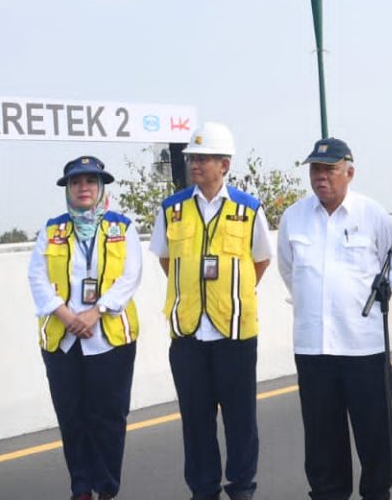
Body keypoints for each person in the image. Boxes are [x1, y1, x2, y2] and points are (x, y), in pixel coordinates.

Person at [150, 121, 273, 500]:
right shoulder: (171, 210)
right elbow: (167, 260)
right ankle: (203, 490)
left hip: (234, 333)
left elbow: (261, 260)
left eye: (204, 158)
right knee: (196, 422)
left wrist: (227, 295)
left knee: (241, 422)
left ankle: (241, 488)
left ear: (225, 164)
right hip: (188, 335)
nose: (195, 164)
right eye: (193, 158)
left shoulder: (249, 209)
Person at [277, 137, 392, 500]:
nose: (320, 177)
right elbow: (288, 270)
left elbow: (389, 268)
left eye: (329, 169)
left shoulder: (373, 215)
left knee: (376, 439)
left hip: (364, 347)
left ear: (350, 172)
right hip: (314, 349)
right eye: (315, 169)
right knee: (322, 442)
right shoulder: (293, 217)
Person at [27, 154, 141, 500]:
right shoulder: (52, 230)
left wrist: (96, 312)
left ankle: (106, 488)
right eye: (76, 182)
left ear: (101, 186)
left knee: (108, 419)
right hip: (63, 341)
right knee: (73, 419)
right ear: (68, 189)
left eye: (91, 181)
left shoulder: (122, 227)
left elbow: (130, 276)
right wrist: (65, 315)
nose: (83, 188)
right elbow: (37, 278)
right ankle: (80, 488)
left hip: (109, 337)